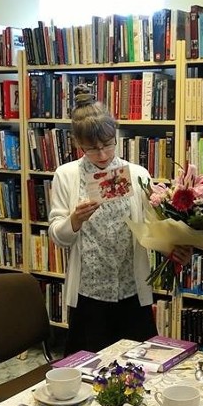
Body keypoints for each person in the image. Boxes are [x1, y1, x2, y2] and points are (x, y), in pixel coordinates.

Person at [48, 84, 157, 354]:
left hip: (132, 292)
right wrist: (74, 220)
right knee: (89, 369)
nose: (104, 155)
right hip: (89, 295)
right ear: (78, 144)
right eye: (93, 149)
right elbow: (57, 236)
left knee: (139, 367)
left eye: (108, 144)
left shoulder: (138, 173)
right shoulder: (66, 175)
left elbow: (152, 229)